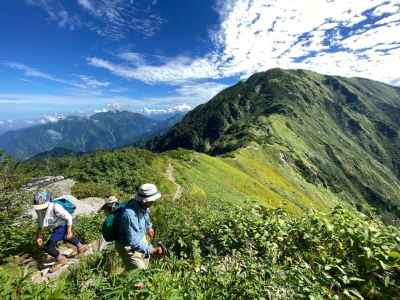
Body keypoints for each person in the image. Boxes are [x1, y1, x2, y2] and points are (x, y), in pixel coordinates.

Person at [34, 191, 88, 273]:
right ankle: (81, 246)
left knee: (48, 247)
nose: (41, 208)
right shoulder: (40, 210)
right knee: (66, 237)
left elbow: (69, 217)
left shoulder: (55, 207)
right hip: (57, 227)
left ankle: (61, 259)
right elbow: (41, 224)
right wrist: (39, 236)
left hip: (63, 225)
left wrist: (69, 231)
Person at [115, 183, 164, 271]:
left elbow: (146, 215)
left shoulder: (142, 205)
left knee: (144, 265)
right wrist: (152, 250)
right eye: (152, 200)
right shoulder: (130, 214)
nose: (153, 202)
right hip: (127, 246)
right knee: (140, 273)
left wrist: (149, 227)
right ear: (145, 200)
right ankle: (121, 282)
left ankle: (126, 276)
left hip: (140, 239)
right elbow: (133, 242)